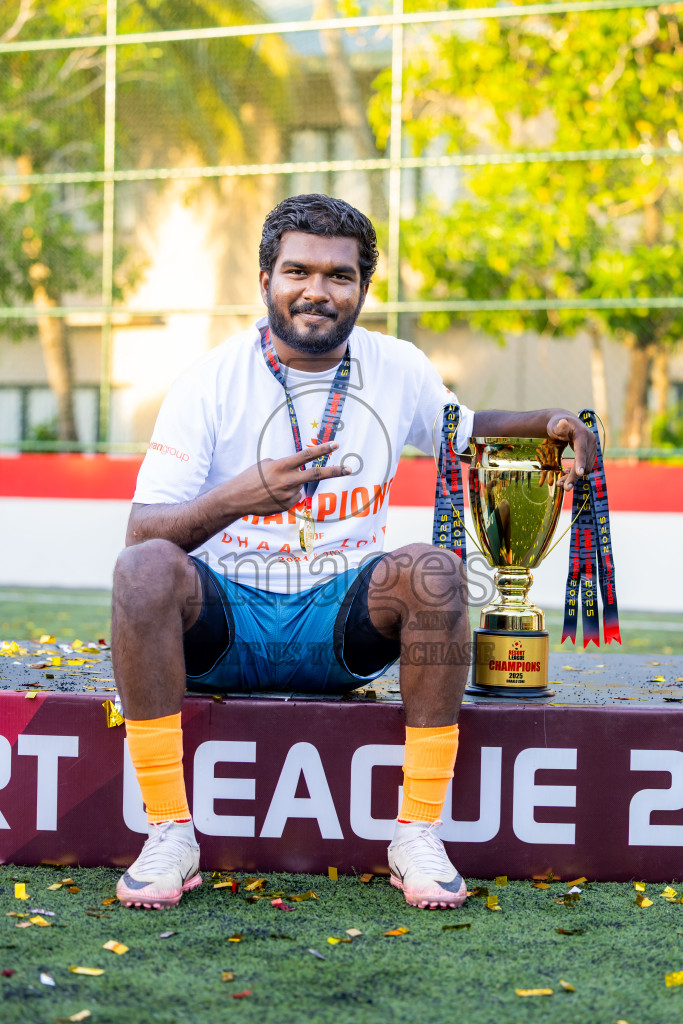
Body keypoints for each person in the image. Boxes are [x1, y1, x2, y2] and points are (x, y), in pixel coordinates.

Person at [112, 194, 596, 911]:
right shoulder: (208, 379)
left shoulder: (395, 365)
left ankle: (416, 832)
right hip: (227, 628)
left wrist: (549, 422)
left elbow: (468, 431)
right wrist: (235, 498)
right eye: (297, 271)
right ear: (265, 280)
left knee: (432, 570)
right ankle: (169, 831)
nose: (316, 290)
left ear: (363, 287)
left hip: (342, 629)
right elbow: (141, 531)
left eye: (338, 275)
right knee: (143, 569)